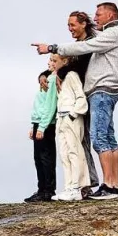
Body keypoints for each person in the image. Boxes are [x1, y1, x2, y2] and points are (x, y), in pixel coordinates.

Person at [33, 2, 118, 197]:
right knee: (109, 138)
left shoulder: (111, 35)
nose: (96, 18)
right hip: (103, 90)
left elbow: (84, 48)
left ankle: (109, 186)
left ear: (110, 16)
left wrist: (52, 47)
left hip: (102, 91)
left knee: (99, 138)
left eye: (99, 14)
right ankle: (113, 184)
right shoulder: (112, 35)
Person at [65, 11, 104, 193]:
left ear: (83, 24)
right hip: (78, 95)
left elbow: (78, 68)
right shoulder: (78, 45)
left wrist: (62, 71)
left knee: (90, 138)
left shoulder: (90, 44)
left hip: (87, 95)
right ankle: (88, 180)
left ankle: (92, 181)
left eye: (72, 25)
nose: (70, 29)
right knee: (81, 140)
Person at [49, 53, 90, 201]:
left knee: (74, 151)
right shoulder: (59, 77)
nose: (52, 63)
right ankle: (69, 186)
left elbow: (80, 96)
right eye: (51, 60)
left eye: (55, 60)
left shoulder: (71, 75)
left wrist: (73, 114)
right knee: (64, 153)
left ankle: (77, 187)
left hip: (71, 116)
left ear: (65, 61)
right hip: (61, 117)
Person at [25, 69, 57, 203]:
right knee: (38, 158)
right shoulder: (46, 78)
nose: (50, 64)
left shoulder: (53, 80)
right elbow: (39, 105)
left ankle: (48, 191)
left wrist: (42, 126)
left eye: (53, 61)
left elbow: (50, 106)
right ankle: (41, 189)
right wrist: (34, 124)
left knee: (46, 158)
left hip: (46, 123)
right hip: (39, 122)